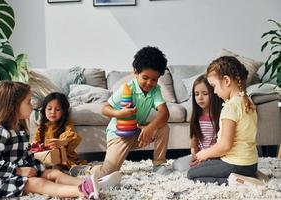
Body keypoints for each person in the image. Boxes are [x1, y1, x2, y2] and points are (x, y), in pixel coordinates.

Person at [0, 81, 119, 199]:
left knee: (54, 173)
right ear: (13, 106)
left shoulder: (20, 130)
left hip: (19, 172)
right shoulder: (0, 131)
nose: (32, 105)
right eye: (28, 102)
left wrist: (38, 170)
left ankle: (97, 183)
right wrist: (18, 171)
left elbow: (27, 156)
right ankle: (83, 191)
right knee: (38, 183)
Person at [71, 46, 170, 178]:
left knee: (163, 127)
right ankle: (86, 169)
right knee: (108, 173)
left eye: (154, 79)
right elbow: (105, 108)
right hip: (119, 134)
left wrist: (150, 128)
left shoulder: (155, 90)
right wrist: (119, 114)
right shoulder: (126, 88)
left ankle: (159, 164)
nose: (149, 83)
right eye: (145, 77)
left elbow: (165, 114)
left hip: (137, 132)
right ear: (135, 72)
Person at [187, 56, 258, 185]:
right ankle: (249, 176)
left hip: (236, 165)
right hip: (251, 164)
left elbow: (225, 145)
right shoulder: (248, 101)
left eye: (214, 86)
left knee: (192, 174)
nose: (214, 91)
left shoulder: (230, 107)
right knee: (204, 167)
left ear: (226, 80)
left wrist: (204, 154)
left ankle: (240, 182)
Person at [172, 74, 223, 172]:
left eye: (205, 93)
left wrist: (209, 156)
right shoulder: (195, 116)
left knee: (207, 169)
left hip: (217, 156)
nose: (200, 97)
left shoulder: (221, 115)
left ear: (214, 93)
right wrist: (195, 156)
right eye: (196, 94)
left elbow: (221, 144)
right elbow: (194, 143)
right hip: (200, 156)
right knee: (178, 165)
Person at [33, 92, 82, 169]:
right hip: (48, 158)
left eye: (58, 109)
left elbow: (74, 137)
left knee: (58, 167)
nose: (53, 112)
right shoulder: (41, 127)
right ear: (44, 110)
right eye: (49, 109)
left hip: (64, 158)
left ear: (63, 112)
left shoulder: (67, 124)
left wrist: (62, 142)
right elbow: (35, 143)